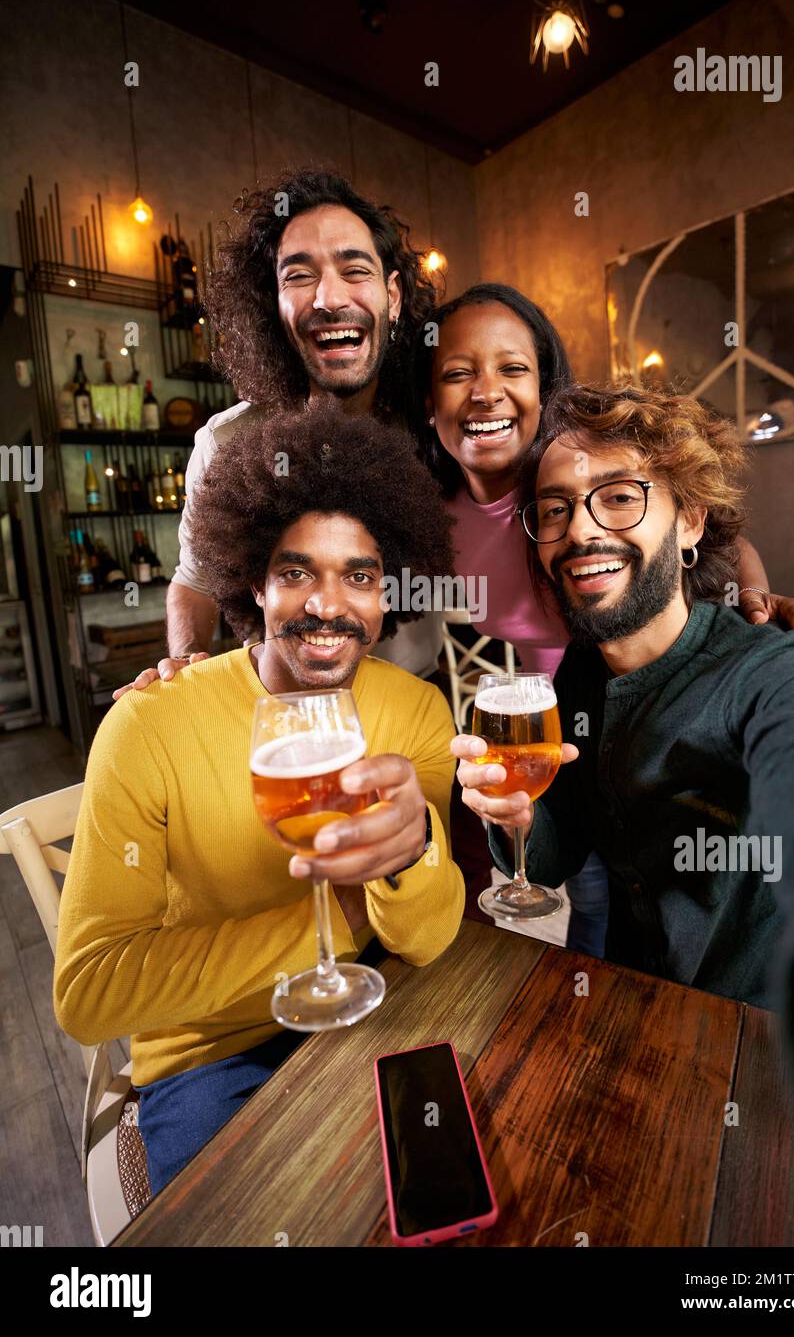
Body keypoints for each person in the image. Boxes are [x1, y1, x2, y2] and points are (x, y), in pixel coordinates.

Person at [452, 381, 794, 1184]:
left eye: (618, 497)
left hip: (774, 1072)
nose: (582, 532)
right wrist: (511, 819)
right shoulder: (574, 677)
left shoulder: (776, 662)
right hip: (638, 1036)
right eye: (557, 509)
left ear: (691, 520)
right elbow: (558, 852)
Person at [54, 409, 465, 1195]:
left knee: (453, 1189)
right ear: (252, 580)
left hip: (378, 1004)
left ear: (388, 594)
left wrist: (414, 855)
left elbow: (427, 938)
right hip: (209, 1058)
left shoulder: (413, 710)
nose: (326, 605)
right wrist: (345, 915)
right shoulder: (148, 723)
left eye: (361, 575)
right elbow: (89, 993)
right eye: (296, 571)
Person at [413, 284, 794, 949]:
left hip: (664, 682)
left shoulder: (564, 471)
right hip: (571, 712)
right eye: (458, 373)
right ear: (429, 406)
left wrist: (756, 606)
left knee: (685, 889)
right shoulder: (429, 517)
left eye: (512, 368)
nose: (484, 390)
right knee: (603, 894)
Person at [112, 168, 443, 698]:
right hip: (282, 707)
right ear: (275, 306)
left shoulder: (436, 427)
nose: (328, 298)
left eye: (354, 269)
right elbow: (194, 583)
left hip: (414, 699)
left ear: (393, 295)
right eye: (299, 275)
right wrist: (182, 664)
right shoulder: (227, 444)